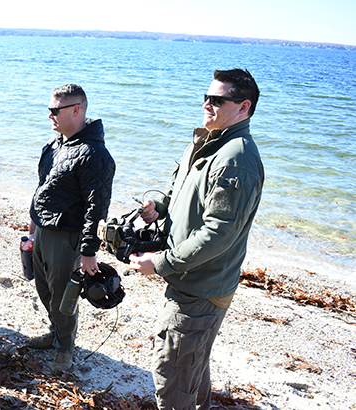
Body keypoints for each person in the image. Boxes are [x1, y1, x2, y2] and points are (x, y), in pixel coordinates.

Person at [129, 69, 264, 410]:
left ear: (243, 107)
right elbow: (182, 191)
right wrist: (159, 206)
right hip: (190, 279)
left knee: (172, 374)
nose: (207, 104)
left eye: (217, 100)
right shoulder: (207, 141)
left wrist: (159, 263)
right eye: (206, 97)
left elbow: (219, 233)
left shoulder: (236, 158)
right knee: (191, 369)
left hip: (201, 287)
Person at [27, 84, 115, 374]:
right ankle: (55, 334)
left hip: (67, 238)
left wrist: (89, 252)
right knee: (44, 289)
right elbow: (43, 189)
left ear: (76, 110)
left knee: (64, 297)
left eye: (55, 110)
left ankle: (65, 348)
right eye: (49, 109)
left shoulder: (95, 155)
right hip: (42, 230)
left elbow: (96, 209)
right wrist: (32, 227)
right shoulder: (55, 144)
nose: (50, 116)